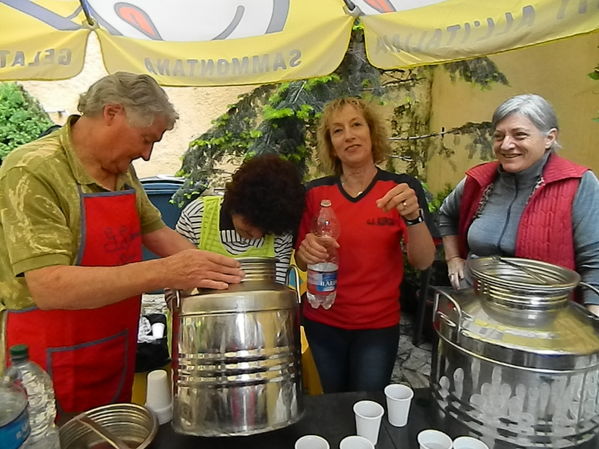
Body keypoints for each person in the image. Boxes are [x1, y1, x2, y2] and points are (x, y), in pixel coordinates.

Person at [0, 72, 244, 414]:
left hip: (114, 345)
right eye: (145, 139)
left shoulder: (120, 171)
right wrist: (164, 273)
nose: (146, 155)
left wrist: (224, 278)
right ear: (112, 113)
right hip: (49, 359)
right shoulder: (32, 171)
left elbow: (156, 233)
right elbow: (48, 286)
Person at [294, 97, 436, 393]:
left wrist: (413, 217)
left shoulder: (400, 190)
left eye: (356, 125)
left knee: (367, 406)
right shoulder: (315, 193)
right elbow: (303, 259)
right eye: (337, 130)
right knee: (331, 405)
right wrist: (305, 252)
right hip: (323, 321)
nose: (349, 135)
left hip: (377, 327)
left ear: (372, 133)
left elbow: (423, 261)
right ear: (331, 145)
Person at [438, 93, 599, 316]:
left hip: (541, 320)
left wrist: (593, 322)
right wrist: (453, 258)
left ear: (549, 138)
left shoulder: (577, 183)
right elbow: (446, 214)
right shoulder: (479, 180)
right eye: (498, 136)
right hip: (474, 308)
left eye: (519, 135)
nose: (506, 145)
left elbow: (595, 259)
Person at [176, 154, 306, 284]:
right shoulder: (195, 216)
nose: (256, 234)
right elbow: (174, 291)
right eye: (251, 222)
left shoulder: (280, 234)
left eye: (266, 229)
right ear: (235, 203)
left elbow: (277, 289)